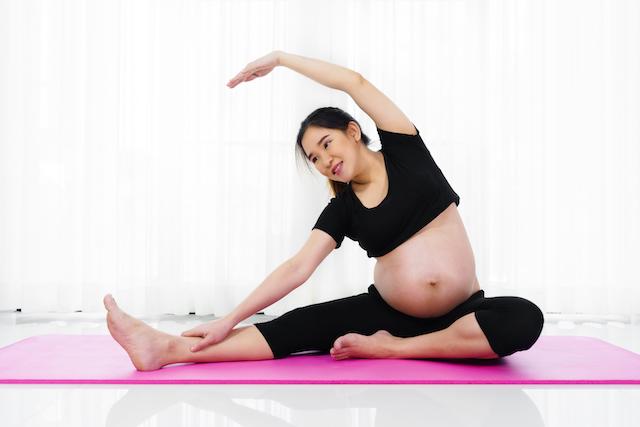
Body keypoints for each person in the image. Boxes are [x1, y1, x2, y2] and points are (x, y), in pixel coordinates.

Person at [103, 50, 544, 371]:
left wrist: (280, 59)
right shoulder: (343, 209)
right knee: (299, 326)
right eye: (313, 159)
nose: (323, 160)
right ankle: (164, 350)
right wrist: (229, 320)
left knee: (523, 319)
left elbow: (354, 83)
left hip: (462, 313)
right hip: (385, 314)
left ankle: (394, 349)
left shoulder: (407, 152)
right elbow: (297, 268)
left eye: (325, 144)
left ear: (353, 132)